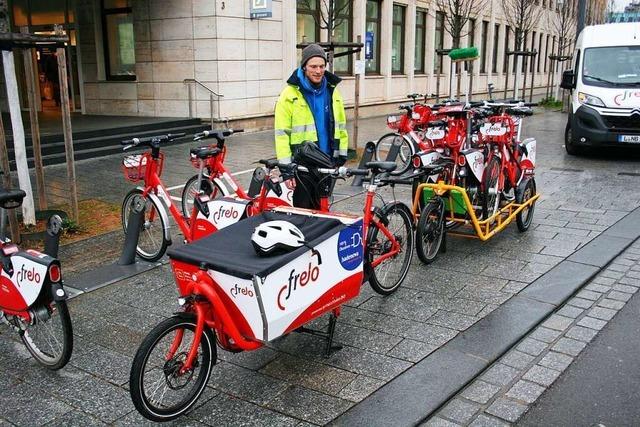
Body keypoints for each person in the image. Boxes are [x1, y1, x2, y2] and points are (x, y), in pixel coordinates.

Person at [273, 44, 349, 208]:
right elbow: (281, 134)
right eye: (313, 66)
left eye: (322, 66)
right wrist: (286, 170)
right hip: (303, 165)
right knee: (304, 214)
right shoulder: (289, 94)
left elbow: (341, 126)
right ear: (304, 67)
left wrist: (341, 156)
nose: (318, 71)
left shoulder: (332, 91)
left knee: (322, 210)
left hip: (327, 161)